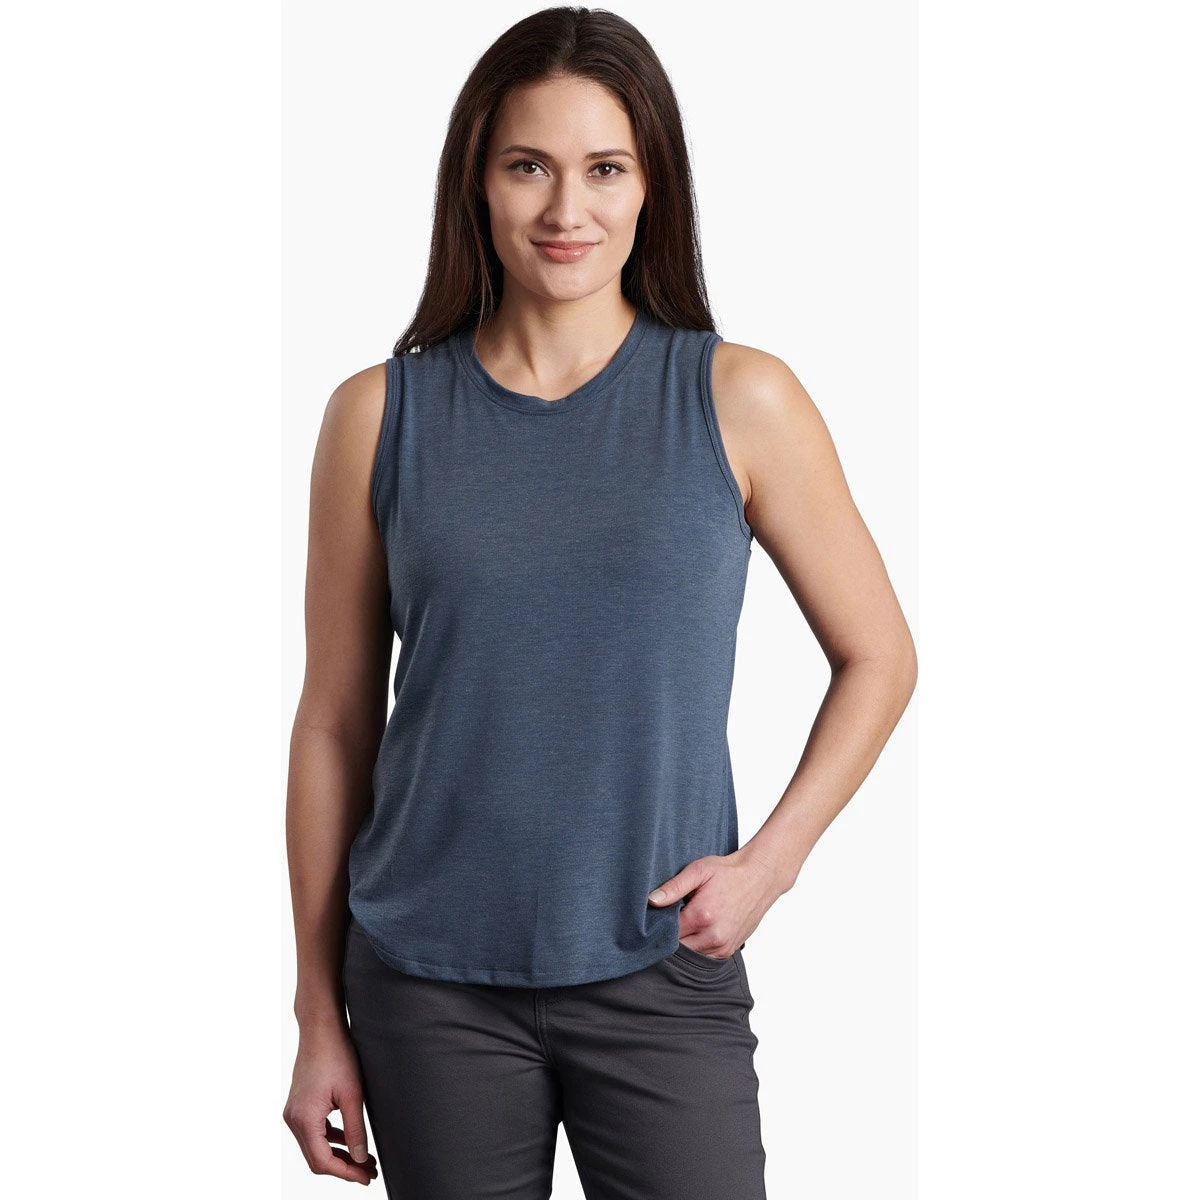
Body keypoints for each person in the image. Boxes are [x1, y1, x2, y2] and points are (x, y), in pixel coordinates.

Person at [283, 7, 917, 1197]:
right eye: (528, 166)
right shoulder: (377, 416)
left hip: (661, 968)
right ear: (476, 183)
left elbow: (879, 656)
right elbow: (333, 722)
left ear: (651, 186)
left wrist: (770, 864)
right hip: (427, 984)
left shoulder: (742, 401)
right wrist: (319, 1012)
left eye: (605, 169)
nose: (566, 209)